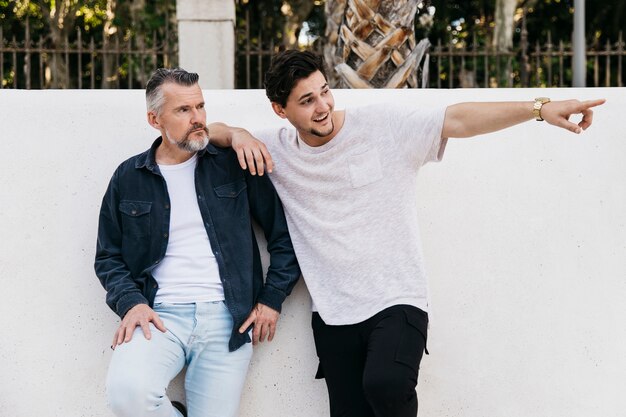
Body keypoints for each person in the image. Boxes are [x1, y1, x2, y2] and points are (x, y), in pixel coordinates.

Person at [207, 50, 605, 417]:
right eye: (307, 100)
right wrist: (239, 134)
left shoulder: (382, 126)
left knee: (387, 384)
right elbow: (211, 131)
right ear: (280, 110)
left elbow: (458, 118)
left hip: (397, 300)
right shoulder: (276, 149)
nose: (323, 106)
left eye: (324, 92)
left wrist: (539, 108)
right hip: (333, 314)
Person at [94, 68, 300, 417]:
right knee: (127, 395)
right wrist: (132, 303)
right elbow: (108, 257)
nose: (198, 119)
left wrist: (272, 299)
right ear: (154, 119)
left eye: (200, 106)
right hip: (158, 317)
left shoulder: (233, 164)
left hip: (227, 318)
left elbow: (286, 236)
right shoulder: (129, 177)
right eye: (184, 110)